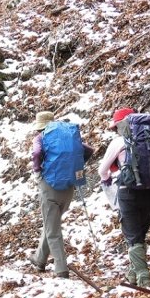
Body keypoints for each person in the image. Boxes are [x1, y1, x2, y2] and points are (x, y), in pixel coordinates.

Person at [28, 111, 94, 279]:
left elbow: (36, 154)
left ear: (40, 126)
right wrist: (72, 167)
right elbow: (88, 150)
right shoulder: (66, 137)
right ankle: (39, 259)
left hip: (50, 186)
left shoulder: (41, 137)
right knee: (52, 224)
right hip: (69, 187)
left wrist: (37, 171)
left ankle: (61, 269)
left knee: (53, 231)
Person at [98, 107, 150, 288]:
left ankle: (143, 278)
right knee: (139, 234)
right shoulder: (149, 137)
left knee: (133, 236)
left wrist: (107, 180)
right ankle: (132, 274)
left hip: (128, 192)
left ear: (119, 125)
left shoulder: (119, 141)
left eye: (115, 127)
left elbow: (102, 170)